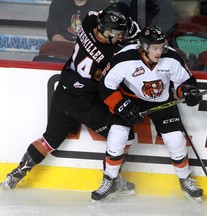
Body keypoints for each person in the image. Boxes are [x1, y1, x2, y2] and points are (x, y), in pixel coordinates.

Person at [1, 8, 140, 194]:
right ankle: (112, 177)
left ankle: (15, 175)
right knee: (125, 135)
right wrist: (133, 36)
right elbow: (128, 60)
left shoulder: (87, 24)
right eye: (119, 34)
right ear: (108, 33)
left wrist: (118, 24)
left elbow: (95, 13)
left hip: (63, 92)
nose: (121, 37)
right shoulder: (111, 54)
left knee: (49, 139)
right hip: (85, 102)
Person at [92, 25, 204, 202]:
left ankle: (185, 179)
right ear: (144, 46)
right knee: (117, 137)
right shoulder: (124, 58)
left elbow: (185, 82)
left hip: (162, 100)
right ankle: (109, 180)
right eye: (155, 48)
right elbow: (106, 85)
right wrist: (120, 105)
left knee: (175, 140)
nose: (159, 51)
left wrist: (188, 92)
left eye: (161, 46)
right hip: (131, 99)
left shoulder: (172, 58)